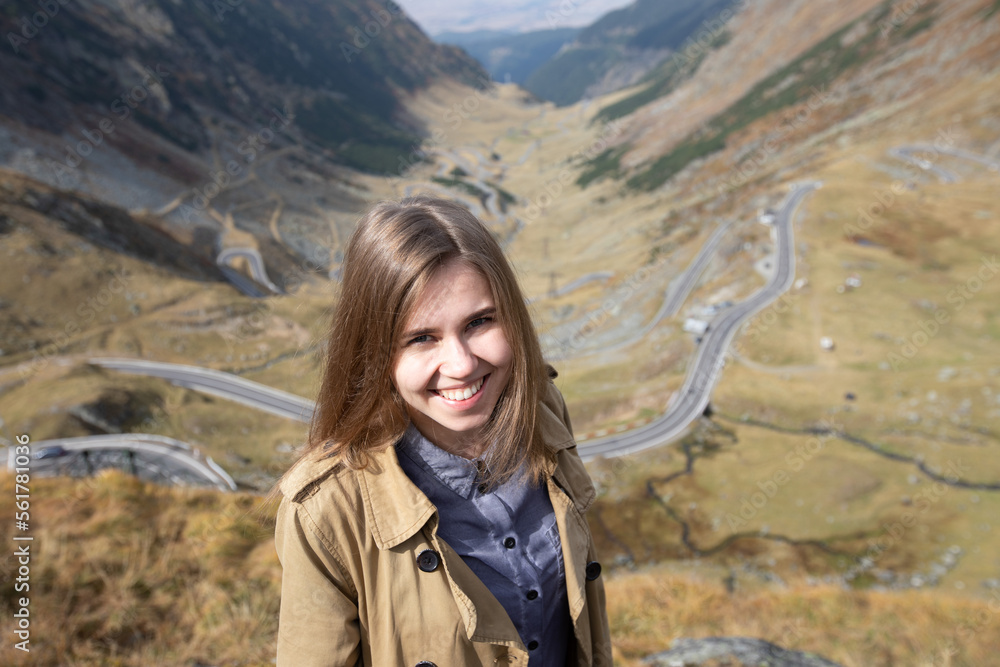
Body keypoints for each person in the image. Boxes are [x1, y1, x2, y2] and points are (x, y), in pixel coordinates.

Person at [273, 196, 611, 666]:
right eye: (421, 338)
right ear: (374, 353)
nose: (462, 364)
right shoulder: (326, 509)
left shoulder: (541, 406)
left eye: (480, 322)